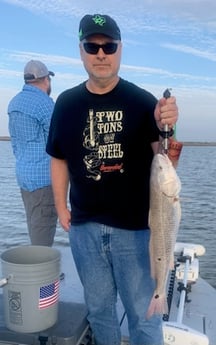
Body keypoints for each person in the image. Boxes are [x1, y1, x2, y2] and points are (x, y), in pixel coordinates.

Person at [46, 14, 179, 345]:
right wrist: (60, 207)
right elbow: (58, 157)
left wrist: (168, 127)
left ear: (120, 49)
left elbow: (166, 161)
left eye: (109, 46)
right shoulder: (65, 103)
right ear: (81, 51)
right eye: (93, 46)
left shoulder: (142, 101)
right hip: (84, 230)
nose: (101, 53)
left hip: (135, 232)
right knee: (99, 310)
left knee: (142, 314)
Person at [8, 60, 58, 247]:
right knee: (43, 233)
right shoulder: (44, 104)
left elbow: (15, 143)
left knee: (34, 224)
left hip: (24, 176)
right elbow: (58, 141)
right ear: (46, 79)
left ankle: (39, 269)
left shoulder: (14, 103)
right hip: (43, 180)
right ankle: (41, 274)